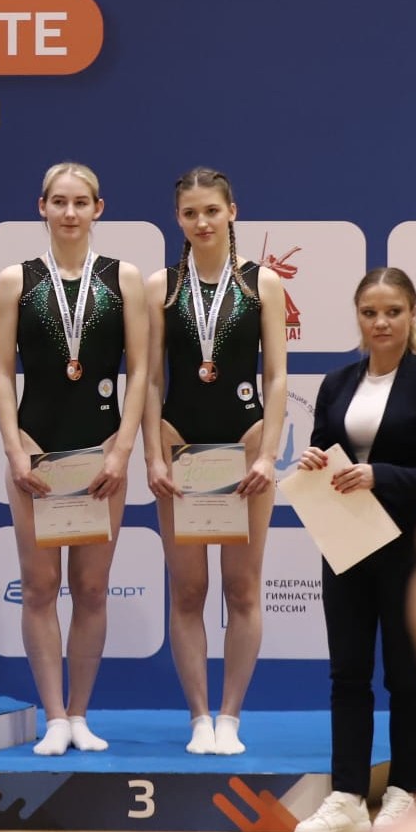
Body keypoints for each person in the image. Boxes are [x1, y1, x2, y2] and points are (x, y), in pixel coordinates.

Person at [0, 162, 148, 755]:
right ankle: (54, 716)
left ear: (98, 208)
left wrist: (122, 449)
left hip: (102, 453)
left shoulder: (123, 278)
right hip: (37, 452)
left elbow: (140, 371)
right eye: (59, 201)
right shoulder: (16, 280)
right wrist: (16, 450)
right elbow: (1, 373)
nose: (70, 212)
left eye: (81, 202)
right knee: (38, 586)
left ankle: (81, 714)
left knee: (92, 588)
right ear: (42, 207)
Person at [143, 168, 286, 754]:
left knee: (243, 589)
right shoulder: (162, 286)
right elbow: (151, 379)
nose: (201, 222)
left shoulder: (262, 283)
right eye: (190, 213)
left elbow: (276, 376)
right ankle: (199, 718)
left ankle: (230, 717)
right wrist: (153, 456)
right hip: (180, 445)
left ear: (232, 212)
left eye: (211, 210)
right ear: (177, 219)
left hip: (245, 446)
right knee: (187, 590)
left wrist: (270, 454)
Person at [291, 268, 416, 832]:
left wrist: (380, 475)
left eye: (393, 311)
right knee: (347, 672)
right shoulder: (338, 381)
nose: (381, 323)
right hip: (345, 543)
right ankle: (346, 796)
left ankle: (403, 792)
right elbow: (324, 447)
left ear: (412, 313)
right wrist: (312, 461)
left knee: (408, 677)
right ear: (358, 317)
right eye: (370, 313)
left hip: (409, 547)